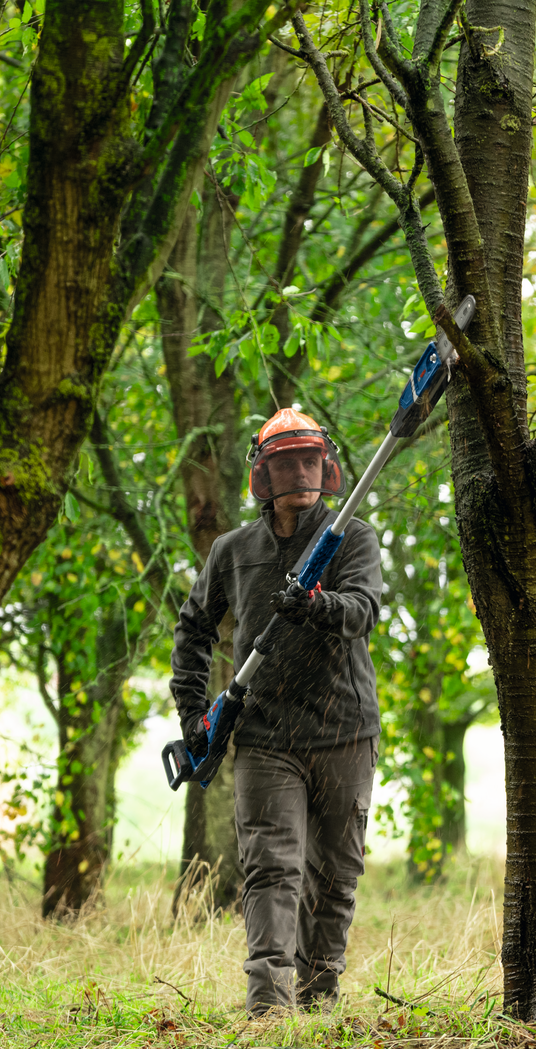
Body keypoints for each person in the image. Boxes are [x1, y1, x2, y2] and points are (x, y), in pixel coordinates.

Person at [169, 407, 383, 1014]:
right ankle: (268, 1006)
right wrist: (193, 715)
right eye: (287, 463)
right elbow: (192, 630)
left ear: (326, 466)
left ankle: (319, 998)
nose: (301, 473)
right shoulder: (233, 550)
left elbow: (363, 609)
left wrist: (316, 604)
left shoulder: (351, 537)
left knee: (336, 875)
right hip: (264, 736)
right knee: (271, 868)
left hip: (345, 731)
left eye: (310, 460)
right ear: (263, 475)